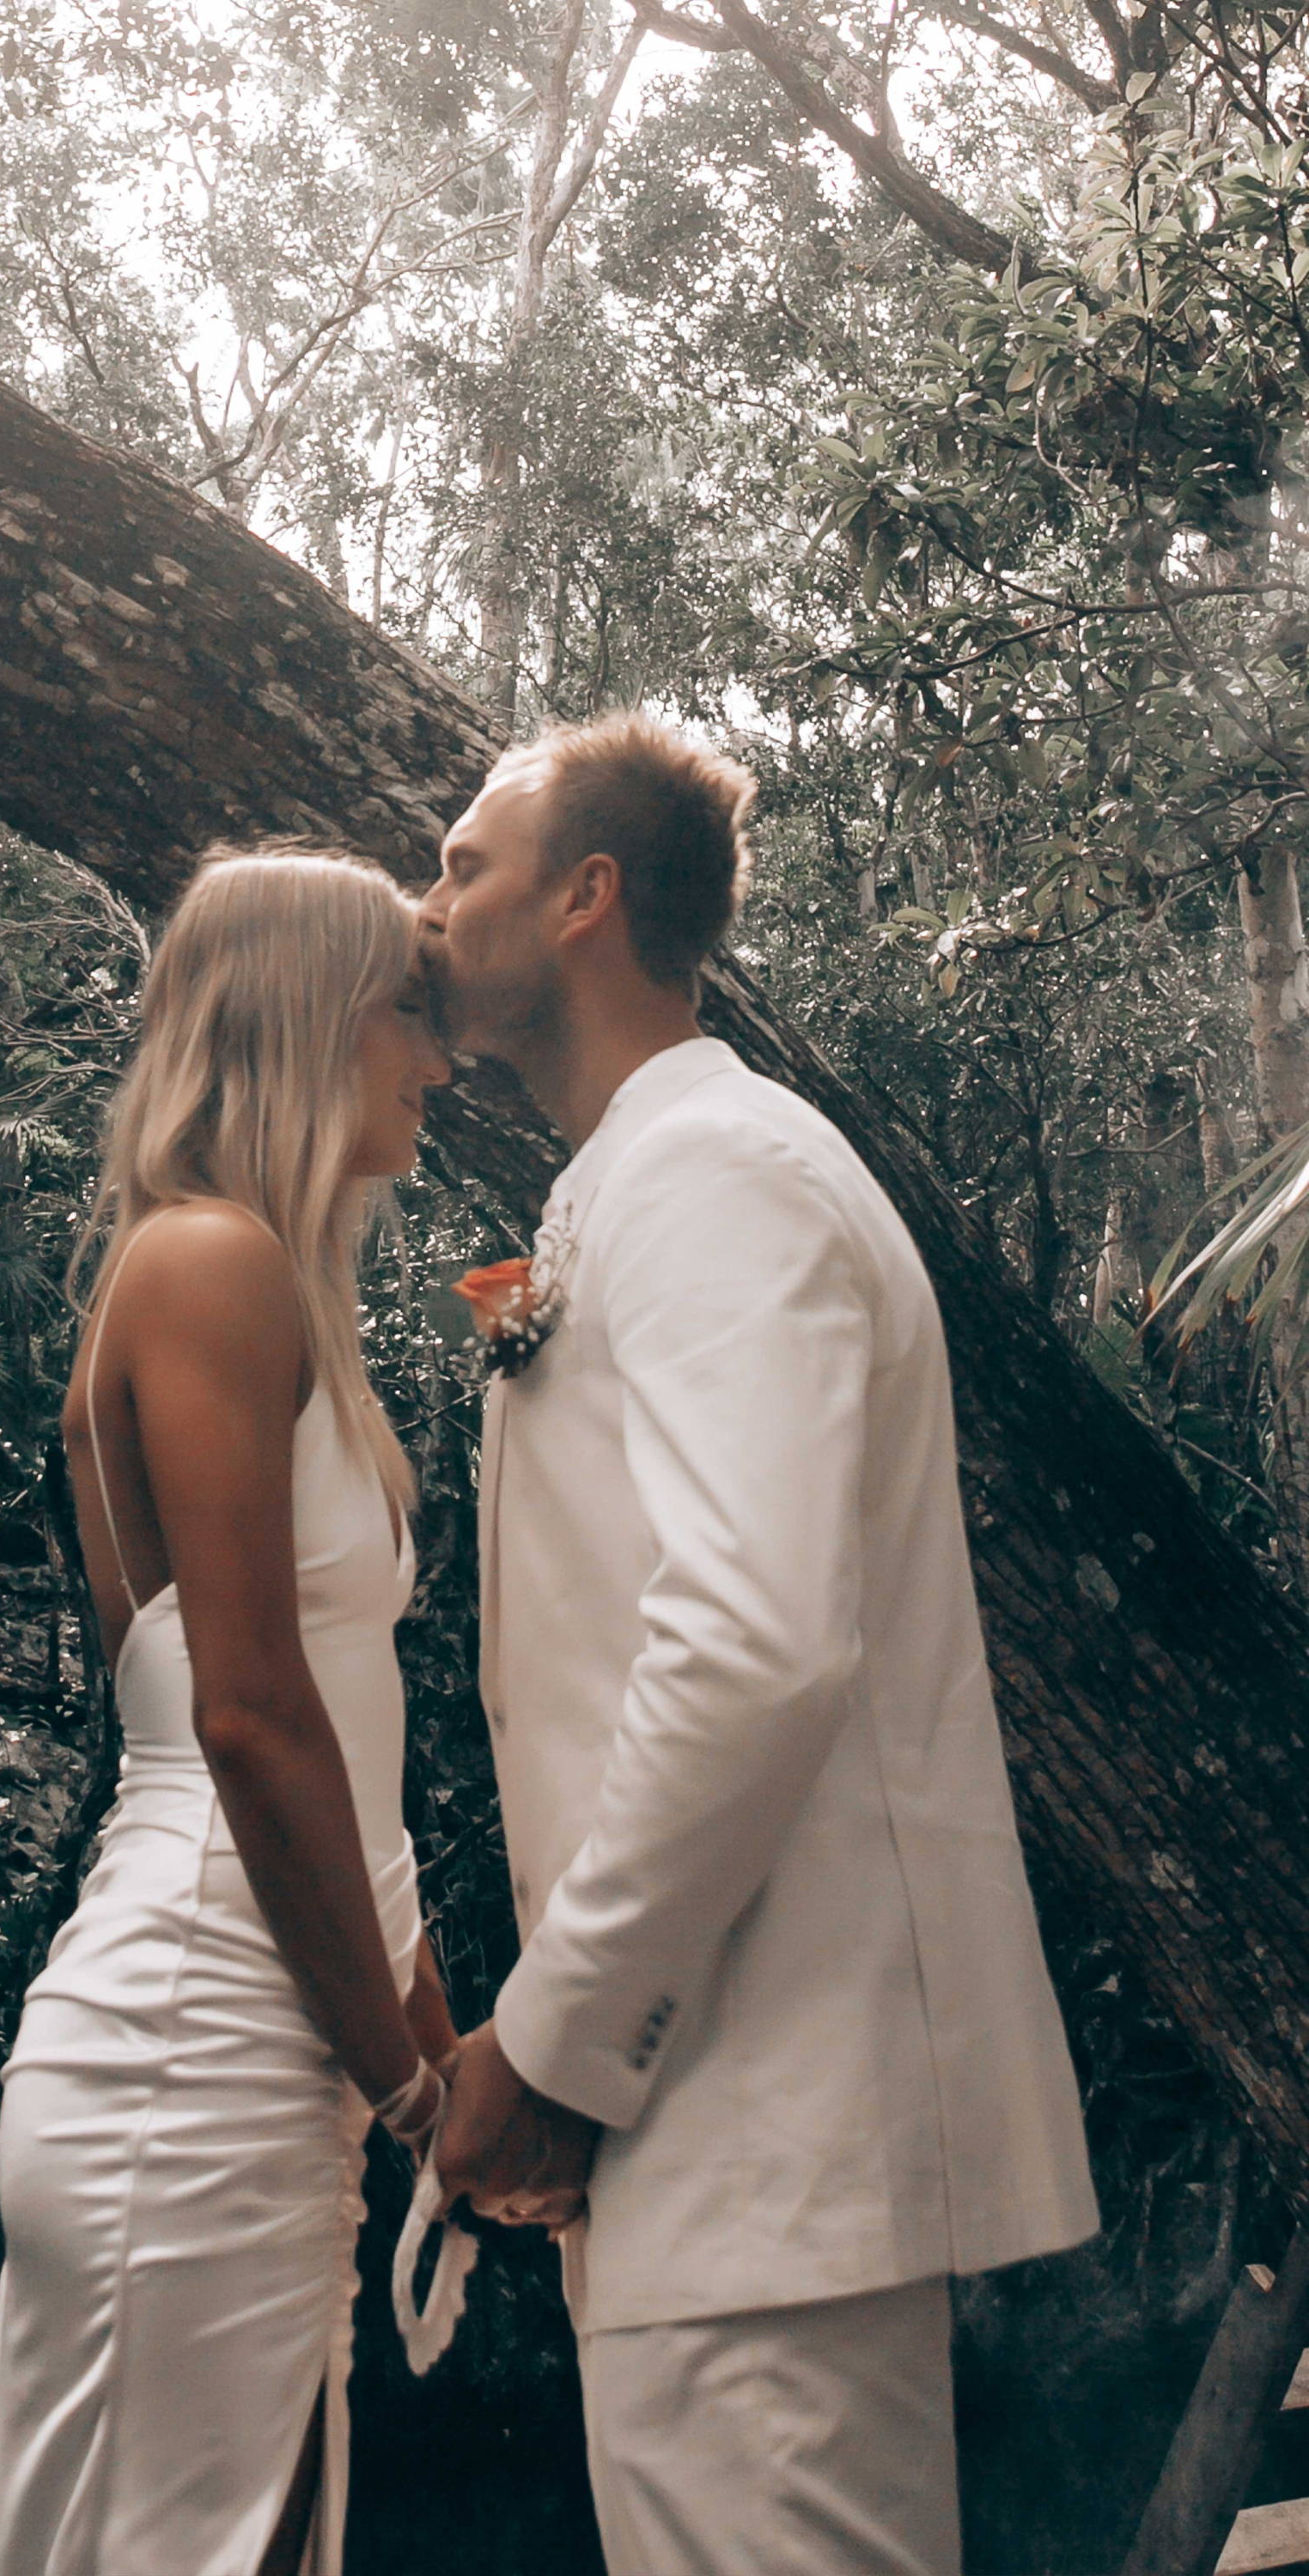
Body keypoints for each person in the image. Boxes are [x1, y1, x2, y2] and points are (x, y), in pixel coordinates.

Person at [419, 713, 1099, 2576]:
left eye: (463, 860)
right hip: (711, 2137)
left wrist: (556, 2046)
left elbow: (753, 1646)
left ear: (584, 897)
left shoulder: (718, 1174)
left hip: (767, 2117)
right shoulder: (632, 1180)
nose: (431, 899)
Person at [0, 848, 456, 2576]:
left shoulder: (269, 1283)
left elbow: (346, 1760)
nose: (439, 1060)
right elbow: (237, 1720)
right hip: (194, 2041)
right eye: (412, 1012)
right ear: (316, 1018)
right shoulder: (208, 1266)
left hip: (281, 2031)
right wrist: (409, 2089)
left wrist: (434, 2062)